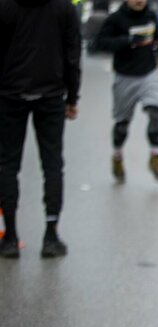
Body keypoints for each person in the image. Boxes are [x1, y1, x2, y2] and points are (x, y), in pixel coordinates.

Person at [0, 0, 81, 258]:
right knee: (52, 165)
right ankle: (51, 235)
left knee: (7, 165)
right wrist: (72, 97)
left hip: (10, 95)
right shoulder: (64, 7)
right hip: (51, 95)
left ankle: (10, 236)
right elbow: (72, 53)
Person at [96, 0, 158, 183]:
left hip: (149, 74)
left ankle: (155, 157)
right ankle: (117, 156)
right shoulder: (116, 19)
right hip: (125, 77)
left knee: (155, 115)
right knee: (122, 126)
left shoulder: (151, 16)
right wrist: (126, 41)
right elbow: (100, 42)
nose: (139, 1)